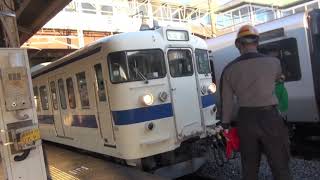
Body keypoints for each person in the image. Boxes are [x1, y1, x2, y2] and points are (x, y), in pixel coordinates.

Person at [220, 25, 291, 180]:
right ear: (257, 42)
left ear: (238, 45)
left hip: (245, 120)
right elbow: (279, 79)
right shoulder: (274, 63)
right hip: (270, 118)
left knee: (249, 168)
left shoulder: (229, 70)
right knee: (280, 165)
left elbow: (227, 102)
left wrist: (225, 125)